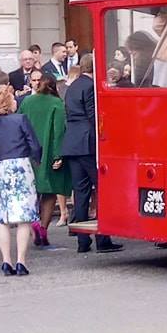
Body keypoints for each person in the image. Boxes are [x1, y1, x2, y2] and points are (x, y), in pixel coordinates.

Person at [58, 54, 120, 253]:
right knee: (102, 189)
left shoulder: (72, 87)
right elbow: (94, 117)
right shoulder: (90, 87)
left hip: (72, 142)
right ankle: (103, 240)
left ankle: (82, 242)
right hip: (88, 142)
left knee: (81, 192)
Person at [0, 83, 42, 277]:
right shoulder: (20, 120)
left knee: (3, 219)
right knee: (23, 217)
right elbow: (33, 143)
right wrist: (37, 159)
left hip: (0, 168)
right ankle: (21, 261)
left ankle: (6, 261)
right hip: (20, 166)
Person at [21, 70, 69, 246]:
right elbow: (58, 132)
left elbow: (20, 123)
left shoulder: (27, 101)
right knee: (49, 193)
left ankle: (34, 220)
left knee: (32, 192)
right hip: (48, 154)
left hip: (28, 153)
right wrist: (58, 155)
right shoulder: (57, 103)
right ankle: (43, 227)